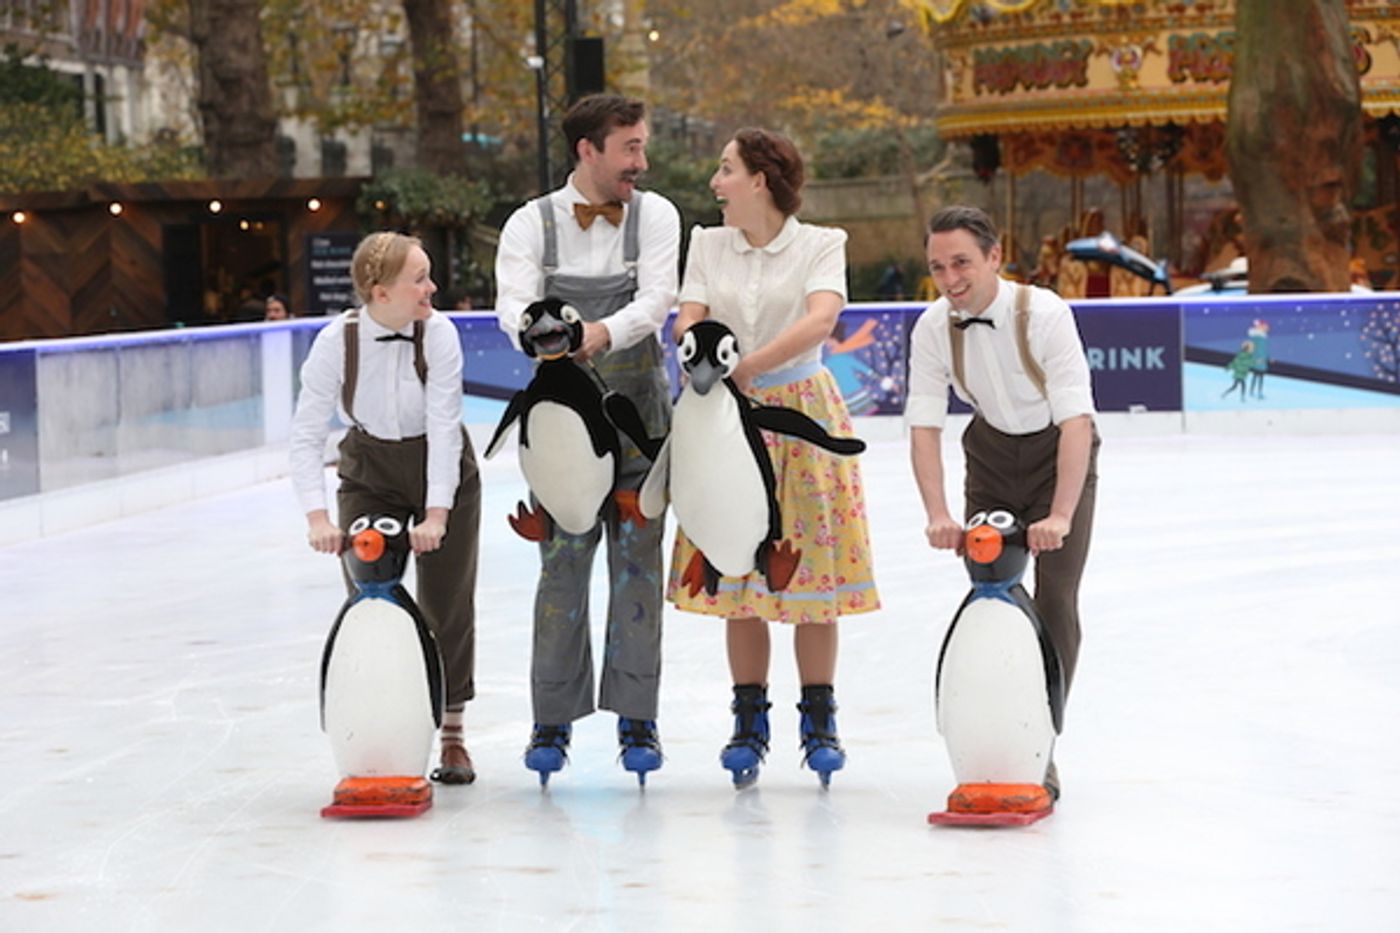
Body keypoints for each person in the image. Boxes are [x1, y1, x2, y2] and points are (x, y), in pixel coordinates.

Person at [670, 128, 880, 788]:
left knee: (808, 569)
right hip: (727, 419)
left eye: (725, 169)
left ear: (760, 180)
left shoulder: (822, 244)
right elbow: (687, 318)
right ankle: (748, 719)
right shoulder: (708, 244)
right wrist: (706, 355)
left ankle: (819, 719)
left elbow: (821, 320)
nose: (715, 182)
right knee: (737, 566)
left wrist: (746, 365)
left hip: (804, 414)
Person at [493, 94, 680, 783]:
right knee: (562, 564)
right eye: (629, 147)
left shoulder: (656, 215)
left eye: (641, 145)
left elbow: (657, 299)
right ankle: (551, 717)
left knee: (638, 566)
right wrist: (544, 332)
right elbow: (511, 303)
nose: (641, 161)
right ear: (588, 150)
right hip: (562, 425)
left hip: (639, 420)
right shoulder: (530, 223)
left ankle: (637, 714)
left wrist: (601, 332)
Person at [907, 205, 1099, 802]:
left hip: (1058, 456)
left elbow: (1076, 422)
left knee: (1055, 597)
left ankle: (1043, 743)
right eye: (938, 267)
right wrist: (938, 513)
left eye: (961, 262)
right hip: (990, 456)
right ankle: (992, 734)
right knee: (992, 593)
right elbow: (924, 425)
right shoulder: (932, 327)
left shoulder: (1045, 314)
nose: (950, 278)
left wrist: (1060, 514)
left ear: (995, 257)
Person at [289, 231, 482, 785]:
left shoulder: (439, 333)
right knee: (371, 601)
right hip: (369, 473)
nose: (432, 288)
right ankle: (374, 727)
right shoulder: (336, 342)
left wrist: (437, 513)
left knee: (446, 604)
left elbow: (444, 426)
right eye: (419, 279)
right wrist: (318, 518)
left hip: (440, 469)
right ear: (380, 293)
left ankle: (452, 733)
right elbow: (306, 433)